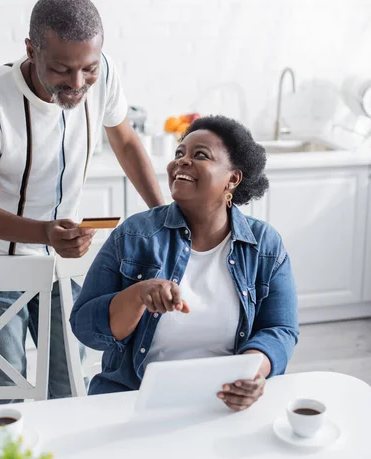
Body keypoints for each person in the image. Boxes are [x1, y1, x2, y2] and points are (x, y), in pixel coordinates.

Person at [0, 0, 164, 405]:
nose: (78, 84)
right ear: (30, 50)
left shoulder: (104, 73)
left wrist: (161, 211)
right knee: (6, 395)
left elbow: (126, 141)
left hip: (66, 263)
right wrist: (44, 232)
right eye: (61, 69)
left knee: (69, 388)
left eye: (88, 69)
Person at [71, 115, 299, 411]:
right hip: (134, 398)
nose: (182, 161)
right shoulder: (134, 235)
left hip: (224, 401)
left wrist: (252, 372)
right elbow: (85, 327)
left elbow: (280, 329)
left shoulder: (265, 245)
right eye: (179, 154)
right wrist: (139, 294)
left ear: (232, 178)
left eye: (199, 155)